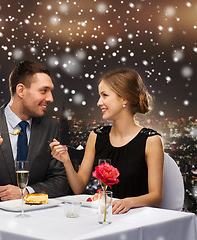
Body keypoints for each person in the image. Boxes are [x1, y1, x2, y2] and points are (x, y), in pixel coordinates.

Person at [0, 60, 69, 208]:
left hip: (33, 219)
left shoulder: (50, 126)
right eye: (43, 90)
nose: (50, 98)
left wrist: (27, 193)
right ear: (21, 90)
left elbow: (60, 182)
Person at [50, 68, 164, 214]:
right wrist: (66, 160)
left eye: (104, 95)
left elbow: (156, 196)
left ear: (124, 98)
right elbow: (78, 188)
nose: (99, 102)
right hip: (104, 215)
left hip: (136, 218)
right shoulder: (96, 136)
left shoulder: (151, 141)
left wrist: (129, 202)